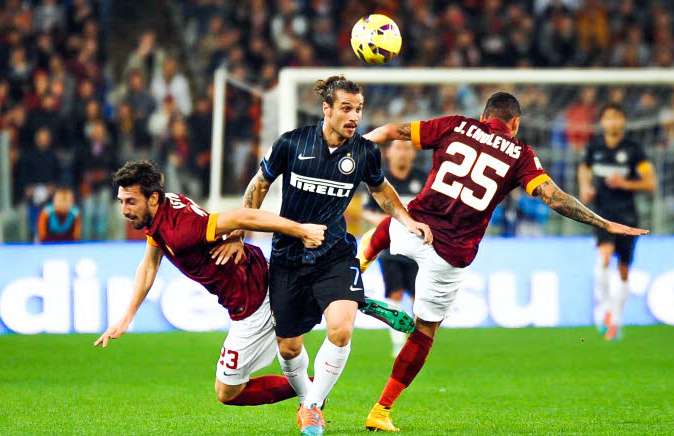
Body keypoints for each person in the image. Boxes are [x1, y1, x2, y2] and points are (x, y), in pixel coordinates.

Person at [359, 92, 648, 432]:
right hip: (450, 253)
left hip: (415, 225)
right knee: (424, 332)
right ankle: (381, 409)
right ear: (516, 123)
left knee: (382, 231)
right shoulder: (521, 155)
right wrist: (604, 223)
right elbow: (554, 198)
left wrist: (356, 146)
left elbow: (393, 131)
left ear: (484, 116)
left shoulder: (455, 125)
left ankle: (352, 275)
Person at [214, 75, 430, 436]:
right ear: (326, 109)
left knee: (341, 330)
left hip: (335, 255)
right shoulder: (291, 143)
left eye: (358, 109)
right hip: (288, 258)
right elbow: (260, 184)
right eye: (346, 108)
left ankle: (312, 406)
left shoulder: (365, 152)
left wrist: (407, 220)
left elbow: (381, 190)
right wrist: (239, 230)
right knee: (288, 347)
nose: (354, 116)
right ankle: (312, 390)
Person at [94, 160, 327, 409]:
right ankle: (314, 392)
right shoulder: (162, 210)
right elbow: (150, 265)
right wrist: (127, 316)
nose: (124, 209)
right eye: (121, 201)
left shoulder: (181, 229)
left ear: (152, 199)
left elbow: (244, 216)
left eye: (131, 202)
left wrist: (301, 231)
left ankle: (317, 388)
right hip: (257, 277)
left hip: (253, 300)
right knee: (288, 349)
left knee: (228, 391)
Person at [578, 103, 656, 340]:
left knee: (623, 270)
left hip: (627, 215)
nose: (612, 121)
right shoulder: (594, 147)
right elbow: (584, 168)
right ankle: (604, 311)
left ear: (623, 121)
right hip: (602, 214)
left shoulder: (634, 150)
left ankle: (616, 319)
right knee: (603, 257)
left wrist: (625, 183)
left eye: (617, 117)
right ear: (602, 122)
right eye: (608, 117)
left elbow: (650, 183)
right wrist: (585, 187)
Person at [362, 140, 426, 357]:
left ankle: (416, 343)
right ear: (388, 153)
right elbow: (367, 211)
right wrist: (392, 223)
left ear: (413, 154)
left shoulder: (423, 178)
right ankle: (398, 343)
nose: (402, 153)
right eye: (398, 148)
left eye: (407, 148)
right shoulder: (379, 179)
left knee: (420, 296)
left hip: (418, 248)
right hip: (390, 248)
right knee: (395, 293)